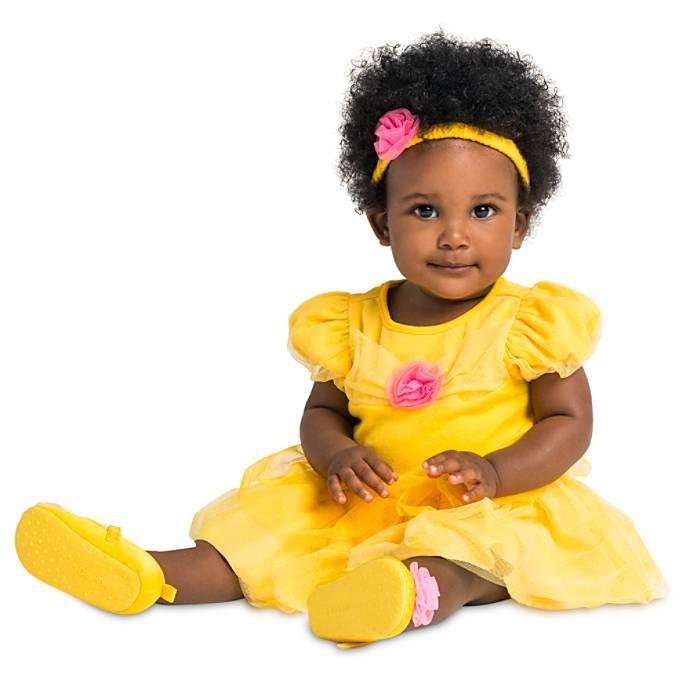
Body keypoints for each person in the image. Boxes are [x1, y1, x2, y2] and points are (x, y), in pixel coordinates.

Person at [15, 29, 668, 649]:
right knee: (256, 542)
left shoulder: (532, 322)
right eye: (424, 210)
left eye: (483, 210)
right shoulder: (350, 323)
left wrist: (496, 471)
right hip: (366, 498)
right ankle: (147, 573)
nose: (454, 235)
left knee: (467, 559)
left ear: (519, 226)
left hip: (486, 502)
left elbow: (568, 421)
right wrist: (336, 456)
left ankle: (400, 597)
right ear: (382, 224)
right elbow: (323, 412)